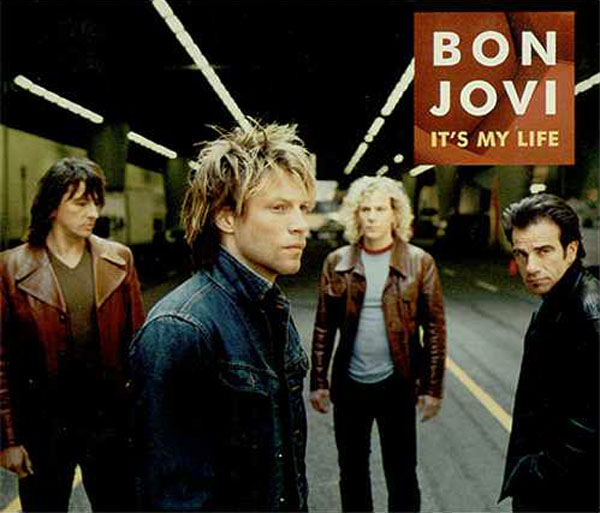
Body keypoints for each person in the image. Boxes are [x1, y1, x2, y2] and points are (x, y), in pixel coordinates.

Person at [129, 122, 316, 511]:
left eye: (303, 208)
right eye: (279, 208)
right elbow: (174, 496)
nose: (300, 225)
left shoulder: (272, 309)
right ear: (226, 217)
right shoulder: (181, 329)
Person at [0, 157, 145, 511]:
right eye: (80, 203)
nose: (92, 213)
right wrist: (8, 440)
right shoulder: (10, 268)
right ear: (52, 207)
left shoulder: (119, 260)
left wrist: (144, 423)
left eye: (96, 203)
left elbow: (140, 348)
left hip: (109, 427)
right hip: (43, 431)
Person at [309, 176, 446, 512]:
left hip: (397, 384)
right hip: (349, 385)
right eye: (365, 209)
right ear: (355, 214)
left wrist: (432, 388)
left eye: (380, 209)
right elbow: (324, 326)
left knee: (402, 473)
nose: (372, 217)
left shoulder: (419, 262)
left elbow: (434, 329)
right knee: (352, 472)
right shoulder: (337, 262)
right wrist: (318, 381)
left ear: (395, 214)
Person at [499, 193, 599, 512]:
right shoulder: (559, 299)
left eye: (544, 251)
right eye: (521, 254)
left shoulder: (587, 313)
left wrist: (537, 472)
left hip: (568, 492)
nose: (531, 267)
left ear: (571, 250)